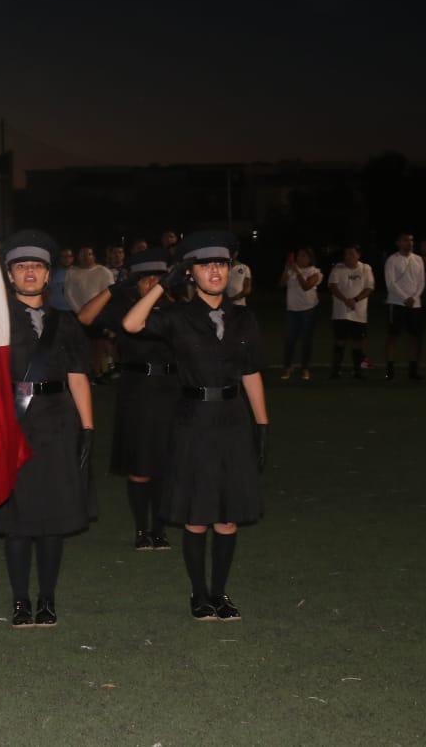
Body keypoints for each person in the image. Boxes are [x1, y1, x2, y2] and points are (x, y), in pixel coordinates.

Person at [122, 229, 268, 622]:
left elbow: (251, 372)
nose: (215, 271)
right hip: (193, 421)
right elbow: (132, 324)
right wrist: (161, 287)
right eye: (205, 265)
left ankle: (220, 593)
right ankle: (198, 594)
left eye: (220, 264)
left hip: (234, 420)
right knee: (198, 515)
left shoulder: (243, 318)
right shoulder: (176, 317)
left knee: (227, 516)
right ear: (192, 274)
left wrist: (262, 424)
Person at [0, 229, 95, 629]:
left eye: (37, 266)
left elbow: (78, 375)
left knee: (53, 519)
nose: (29, 272)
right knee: (17, 520)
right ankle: (19, 601)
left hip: (59, 422)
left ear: (49, 275)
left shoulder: (65, 323)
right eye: (21, 266)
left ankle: (46, 600)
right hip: (12, 425)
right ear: (9, 275)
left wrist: (88, 427)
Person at [77, 249, 177, 551]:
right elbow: (85, 318)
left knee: (166, 464)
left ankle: (160, 529)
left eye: (158, 278)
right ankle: (141, 530)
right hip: (137, 389)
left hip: (172, 388)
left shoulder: (176, 308)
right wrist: (112, 289)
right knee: (140, 462)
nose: (151, 284)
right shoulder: (123, 304)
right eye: (145, 278)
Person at [65, 247, 116, 379]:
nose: (86, 257)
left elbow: (109, 293)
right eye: (82, 255)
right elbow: (68, 293)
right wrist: (79, 312)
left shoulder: (103, 272)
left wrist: (97, 311)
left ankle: (99, 371)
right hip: (78, 314)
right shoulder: (72, 272)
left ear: (94, 255)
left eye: (89, 254)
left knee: (99, 344)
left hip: (99, 314)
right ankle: (87, 371)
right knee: (83, 344)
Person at [383, 232, 426, 381]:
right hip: (397, 303)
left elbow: (421, 282)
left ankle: (413, 370)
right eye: (406, 240)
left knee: (414, 337)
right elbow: (390, 283)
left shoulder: (418, 259)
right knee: (393, 336)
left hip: (415, 304)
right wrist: (404, 298)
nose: (410, 243)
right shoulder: (392, 260)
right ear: (398, 243)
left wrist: (414, 298)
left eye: (411, 240)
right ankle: (390, 369)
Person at [326, 245, 375, 379]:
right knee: (339, 341)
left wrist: (355, 299)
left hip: (359, 314)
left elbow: (369, 288)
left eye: (351, 254)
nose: (348, 256)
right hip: (340, 313)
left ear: (358, 255)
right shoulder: (338, 268)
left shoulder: (365, 268)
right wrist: (345, 299)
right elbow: (332, 286)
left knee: (358, 342)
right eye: (346, 254)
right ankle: (335, 370)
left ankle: (357, 371)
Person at [278, 247, 323, 380]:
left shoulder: (315, 272)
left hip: (308, 310)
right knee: (290, 340)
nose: (299, 258)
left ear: (310, 258)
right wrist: (287, 269)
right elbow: (281, 284)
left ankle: (305, 368)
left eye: (303, 256)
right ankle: (287, 367)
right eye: (298, 256)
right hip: (292, 310)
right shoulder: (291, 270)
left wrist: (297, 271)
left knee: (306, 341)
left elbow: (306, 286)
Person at [46, 248, 74, 313]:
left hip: (74, 310)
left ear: (72, 258)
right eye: (63, 257)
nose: (66, 259)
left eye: (69, 256)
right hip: (54, 310)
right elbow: (46, 291)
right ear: (59, 258)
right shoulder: (52, 272)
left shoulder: (79, 272)